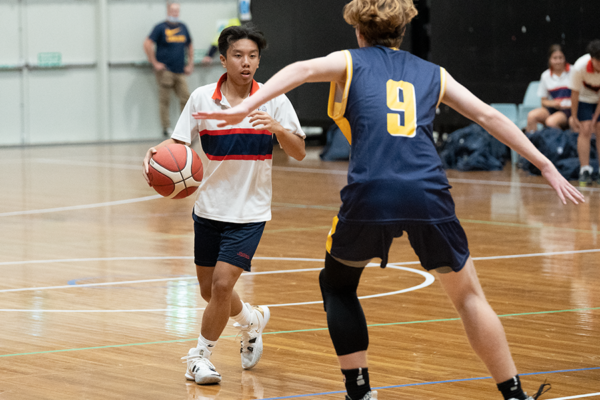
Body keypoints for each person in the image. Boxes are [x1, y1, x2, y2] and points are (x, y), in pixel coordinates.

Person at [193, 1, 585, 399]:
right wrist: (545, 164)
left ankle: (360, 391)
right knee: (468, 296)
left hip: (371, 191)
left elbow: (303, 70)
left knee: (339, 285)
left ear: (359, 31)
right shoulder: (433, 72)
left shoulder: (349, 62)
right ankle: (514, 394)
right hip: (428, 190)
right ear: (402, 31)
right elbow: (490, 116)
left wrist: (245, 105)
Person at [142, 24, 306, 385]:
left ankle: (198, 357)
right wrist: (157, 155)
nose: (246, 62)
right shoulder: (202, 98)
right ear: (223, 59)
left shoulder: (274, 100)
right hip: (209, 210)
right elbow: (178, 145)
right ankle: (250, 321)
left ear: (259, 61)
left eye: (252, 56)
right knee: (208, 290)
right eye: (238, 55)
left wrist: (277, 128)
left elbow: (299, 152)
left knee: (220, 286)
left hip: (250, 213)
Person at [144, 2, 194, 137]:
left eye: (177, 10)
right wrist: (154, 62)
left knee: (186, 98)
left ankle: (185, 127)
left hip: (180, 70)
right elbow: (147, 43)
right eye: (173, 10)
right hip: (165, 71)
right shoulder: (160, 27)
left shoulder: (183, 27)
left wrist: (190, 64)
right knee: (165, 100)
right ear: (168, 11)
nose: (175, 13)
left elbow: (189, 45)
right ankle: (166, 128)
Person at [569, 39, 600, 186]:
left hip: (598, 99)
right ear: (592, 58)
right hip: (584, 99)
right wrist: (574, 116)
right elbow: (574, 93)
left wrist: (596, 118)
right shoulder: (579, 66)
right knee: (585, 129)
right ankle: (585, 169)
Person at [526, 44, 573, 133]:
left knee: (551, 122)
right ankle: (531, 145)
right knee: (531, 116)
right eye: (555, 58)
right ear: (550, 59)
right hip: (552, 109)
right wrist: (553, 103)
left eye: (560, 57)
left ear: (565, 58)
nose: (558, 61)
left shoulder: (573, 71)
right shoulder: (545, 76)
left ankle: (557, 146)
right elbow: (543, 101)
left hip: (568, 111)